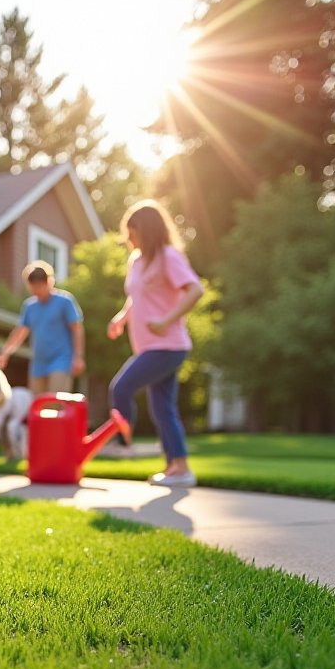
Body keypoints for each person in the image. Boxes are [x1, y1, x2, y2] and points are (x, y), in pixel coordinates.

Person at [106, 200, 205, 488]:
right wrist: (122, 317)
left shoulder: (167, 256)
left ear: (147, 230)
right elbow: (137, 296)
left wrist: (166, 319)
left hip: (168, 345)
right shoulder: (136, 261)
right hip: (148, 346)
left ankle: (123, 445)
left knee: (121, 387)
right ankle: (179, 468)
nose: (128, 239)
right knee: (163, 407)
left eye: (132, 232)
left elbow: (195, 290)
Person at [0, 261, 85, 395]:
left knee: (55, 401)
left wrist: (78, 357)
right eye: (33, 287)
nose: (36, 291)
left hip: (61, 360)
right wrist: (5, 352)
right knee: (37, 404)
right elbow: (20, 332)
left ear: (49, 282)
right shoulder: (30, 307)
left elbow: (77, 329)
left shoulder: (65, 301)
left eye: (39, 286)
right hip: (39, 363)